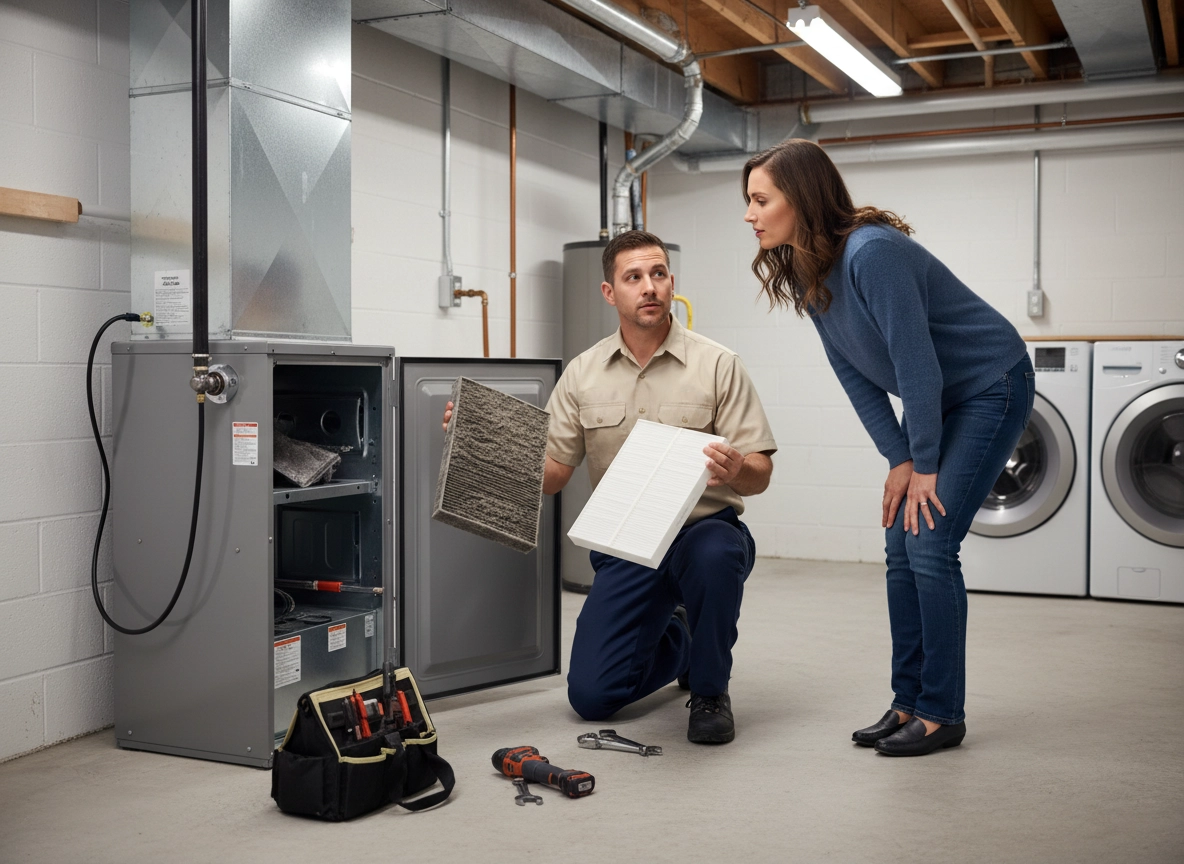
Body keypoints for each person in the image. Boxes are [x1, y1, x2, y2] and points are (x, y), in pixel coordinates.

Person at [742, 140, 1033, 757]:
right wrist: (898, 459)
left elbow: (915, 364)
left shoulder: (871, 255)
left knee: (929, 542)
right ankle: (908, 701)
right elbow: (854, 372)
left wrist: (924, 464)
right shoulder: (807, 265)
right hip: (940, 397)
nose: (750, 214)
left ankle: (941, 713)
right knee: (899, 546)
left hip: (989, 383)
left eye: (760, 199)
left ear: (802, 197)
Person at [444, 230, 777, 744]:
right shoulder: (582, 373)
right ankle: (682, 639)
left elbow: (760, 472)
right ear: (609, 292)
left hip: (704, 532)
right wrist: (482, 437)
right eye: (634, 277)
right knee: (593, 699)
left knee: (714, 557)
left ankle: (710, 691)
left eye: (659, 274)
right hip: (629, 545)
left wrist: (737, 468)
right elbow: (554, 474)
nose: (650, 287)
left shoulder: (718, 364)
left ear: (671, 283)